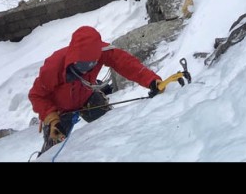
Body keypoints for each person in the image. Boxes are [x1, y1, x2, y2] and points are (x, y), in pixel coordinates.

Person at [28, 25, 163, 153]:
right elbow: (36, 95)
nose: (86, 68)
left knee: (113, 130)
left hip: (87, 98)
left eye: (91, 64)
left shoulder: (101, 51)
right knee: (53, 152)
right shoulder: (54, 65)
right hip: (58, 111)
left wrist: (151, 80)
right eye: (81, 64)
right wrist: (51, 118)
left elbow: (125, 63)